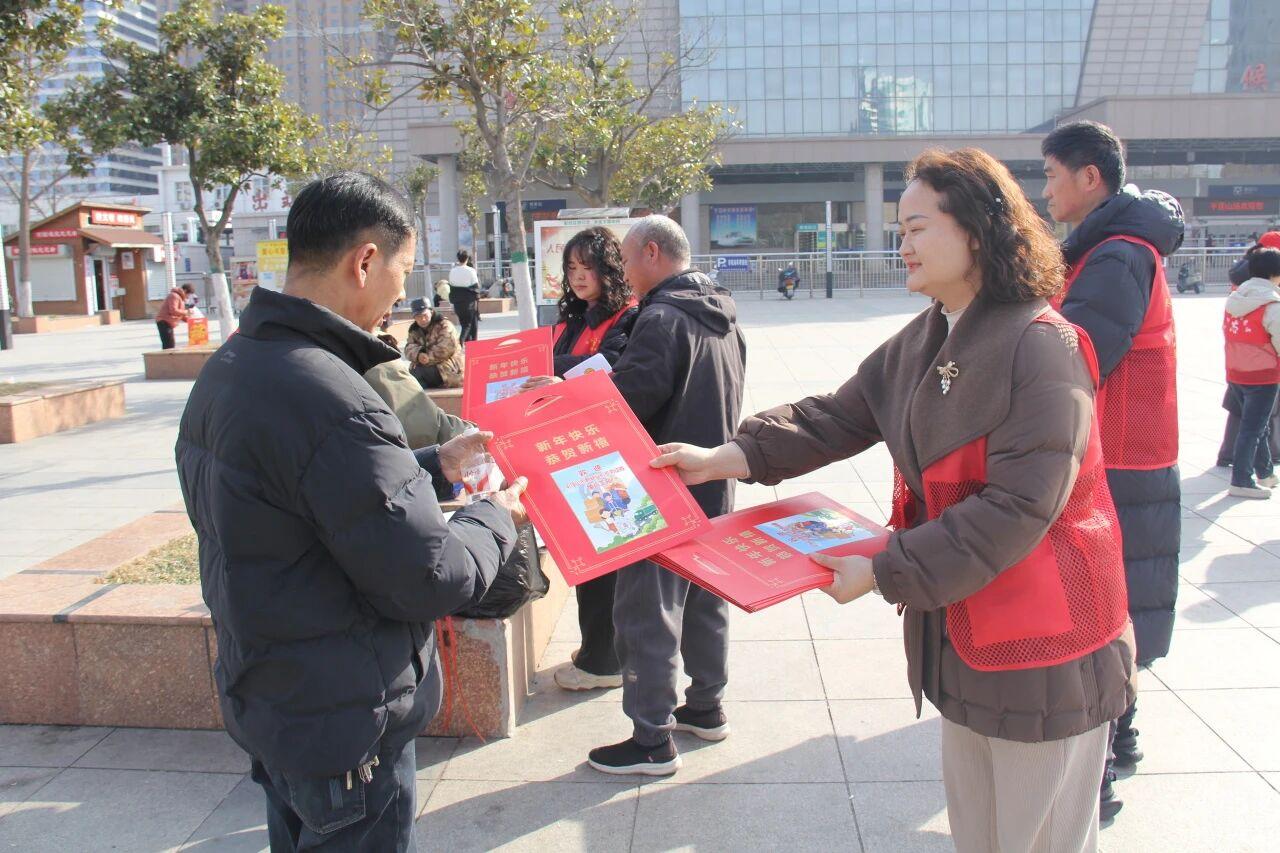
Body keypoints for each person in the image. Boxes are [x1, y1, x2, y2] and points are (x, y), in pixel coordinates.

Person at [655, 148, 1135, 851]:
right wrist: (722, 458)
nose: (900, 244)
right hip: (967, 634)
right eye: (899, 229)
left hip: (1045, 645)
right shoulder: (929, 333)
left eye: (916, 228)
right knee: (981, 835)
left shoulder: (1042, 346)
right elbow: (837, 416)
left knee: (1039, 839)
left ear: (977, 230)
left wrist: (883, 569)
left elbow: (1017, 509)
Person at [175, 172, 528, 852]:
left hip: (276, 701)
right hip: (346, 721)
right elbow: (429, 575)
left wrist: (434, 463)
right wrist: (493, 516)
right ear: (365, 260)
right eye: (403, 268)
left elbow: (305, 494)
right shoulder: (333, 393)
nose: (402, 290)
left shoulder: (235, 365)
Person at [1042, 120, 1184, 820]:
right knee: (1115, 605)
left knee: (1095, 614)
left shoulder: (1117, 255)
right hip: (1128, 452)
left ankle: (1092, 776)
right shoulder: (1110, 248)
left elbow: (1078, 355)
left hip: (1115, 458)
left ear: (1089, 177)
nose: (1045, 191)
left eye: (1051, 175)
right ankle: (1118, 735)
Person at [585, 215, 746, 776]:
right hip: (714, 478)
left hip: (660, 486)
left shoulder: (660, 318)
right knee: (705, 599)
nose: (624, 273)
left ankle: (651, 739)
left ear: (652, 253)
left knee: (646, 612)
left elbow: (628, 404)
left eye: (627, 260)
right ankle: (705, 706)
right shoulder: (723, 315)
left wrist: (575, 395)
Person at [522, 226, 639, 692]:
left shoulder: (630, 315)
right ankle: (600, 649)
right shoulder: (574, 318)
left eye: (587, 266)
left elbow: (612, 365)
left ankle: (601, 663)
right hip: (572, 451)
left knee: (604, 554)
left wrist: (555, 375)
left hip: (605, 454)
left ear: (609, 268)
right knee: (589, 555)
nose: (578, 276)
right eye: (571, 267)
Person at [1222, 247, 1280, 498]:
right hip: (1263, 375)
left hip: (1236, 371)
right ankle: (1241, 480)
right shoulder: (1272, 304)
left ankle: (1265, 473)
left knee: (1258, 425)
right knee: (1253, 429)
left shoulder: (1235, 299)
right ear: (1275, 274)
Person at [405, 297, 464, 389]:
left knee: (420, 372)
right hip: (427, 367)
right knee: (413, 372)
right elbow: (408, 348)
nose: (422, 319)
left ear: (431, 312)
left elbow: (445, 349)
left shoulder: (444, 325)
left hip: (449, 367)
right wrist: (418, 355)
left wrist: (427, 357)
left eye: (425, 315)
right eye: (418, 317)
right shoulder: (414, 330)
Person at [448, 249, 481, 342]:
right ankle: (461, 342)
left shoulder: (452, 271)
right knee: (468, 325)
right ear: (467, 258)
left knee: (464, 324)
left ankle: (466, 343)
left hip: (457, 301)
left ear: (458, 258)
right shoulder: (471, 271)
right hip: (468, 301)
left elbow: (451, 286)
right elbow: (476, 286)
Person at [155, 282, 194, 349]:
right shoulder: (174, 296)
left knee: (170, 344)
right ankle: (166, 356)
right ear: (185, 291)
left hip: (168, 322)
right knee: (169, 344)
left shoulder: (180, 298)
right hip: (164, 321)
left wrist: (192, 321)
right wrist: (187, 312)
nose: (188, 297)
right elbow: (173, 311)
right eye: (189, 294)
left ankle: (167, 355)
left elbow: (181, 314)